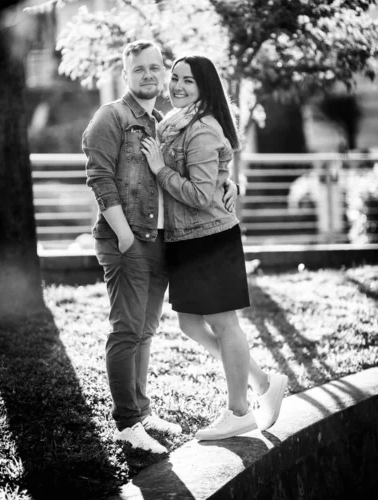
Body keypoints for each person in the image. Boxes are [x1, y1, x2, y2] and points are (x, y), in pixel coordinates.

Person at [82, 40, 238, 453]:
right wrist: (126, 236)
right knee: (127, 329)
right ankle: (127, 423)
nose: (150, 76)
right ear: (125, 74)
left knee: (145, 332)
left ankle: (142, 410)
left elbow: (198, 165)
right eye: (140, 70)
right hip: (127, 239)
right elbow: (100, 179)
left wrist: (230, 183)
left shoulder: (165, 123)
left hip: (160, 242)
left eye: (156, 69)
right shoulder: (111, 116)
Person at [141, 55, 288, 441]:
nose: (177, 86)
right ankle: (262, 381)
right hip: (185, 238)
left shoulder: (201, 127)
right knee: (190, 323)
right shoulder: (173, 123)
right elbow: (214, 179)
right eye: (174, 78)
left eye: (188, 81)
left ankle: (238, 410)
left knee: (224, 324)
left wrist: (160, 170)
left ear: (205, 88)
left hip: (210, 237)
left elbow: (201, 193)